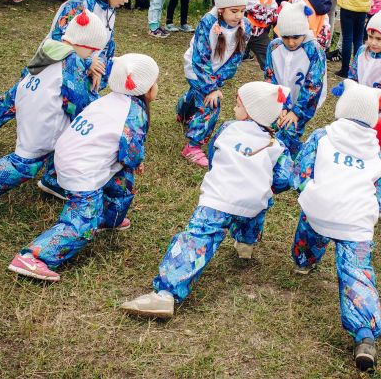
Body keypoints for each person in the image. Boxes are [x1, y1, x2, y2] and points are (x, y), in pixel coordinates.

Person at [121, 81, 293, 319]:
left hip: (218, 198)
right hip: (254, 200)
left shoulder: (228, 128)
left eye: (238, 105)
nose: (234, 108)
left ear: (250, 112)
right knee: (255, 208)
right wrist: (268, 186)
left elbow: (213, 152)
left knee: (197, 238)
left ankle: (165, 295)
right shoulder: (278, 145)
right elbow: (285, 179)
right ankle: (246, 244)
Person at [0, 12, 107, 226]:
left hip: (32, 108)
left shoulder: (53, 48)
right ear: (87, 45)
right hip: (43, 124)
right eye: (93, 51)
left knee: (59, 144)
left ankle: (56, 182)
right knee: (23, 164)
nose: (92, 56)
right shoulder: (73, 65)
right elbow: (81, 104)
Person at [0, 0, 140, 165]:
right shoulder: (79, 5)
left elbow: (105, 41)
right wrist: (88, 63)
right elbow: (61, 41)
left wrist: (100, 66)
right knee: (19, 97)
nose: (126, 1)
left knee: (66, 104)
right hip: (51, 66)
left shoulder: (109, 7)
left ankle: (61, 153)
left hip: (81, 70)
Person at [9, 53, 159, 281]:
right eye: (155, 82)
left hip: (70, 155)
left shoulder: (110, 100)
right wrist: (136, 162)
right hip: (81, 169)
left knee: (119, 181)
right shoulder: (135, 113)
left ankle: (110, 218)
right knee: (83, 222)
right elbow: (130, 150)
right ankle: (35, 257)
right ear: (145, 89)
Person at [291, 79, 381, 372]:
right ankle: (365, 335)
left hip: (320, 209)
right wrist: (376, 210)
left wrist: (307, 190)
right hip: (356, 221)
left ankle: (303, 260)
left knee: (311, 223)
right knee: (356, 274)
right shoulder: (376, 151)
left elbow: (300, 171)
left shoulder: (322, 136)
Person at [177, 0, 251, 167]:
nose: (238, 16)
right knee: (212, 103)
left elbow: (236, 58)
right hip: (196, 70)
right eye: (234, 11)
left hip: (217, 72)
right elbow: (199, 58)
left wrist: (218, 80)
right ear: (220, 9)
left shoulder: (244, 26)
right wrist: (210, 87)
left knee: (197, 95)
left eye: (242, 11)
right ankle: (192, 146)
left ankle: (183, 111)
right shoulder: (208, 23)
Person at [264, 2, 327, 156]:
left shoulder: (314, 50)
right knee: (269, 130)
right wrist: (282, 106)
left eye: (296, 37)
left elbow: (313, 86)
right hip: (279, 101)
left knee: (290, 131)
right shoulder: (274, 47)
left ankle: (289, 161)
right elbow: (270, 77)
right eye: (286, 37)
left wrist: (296, 112)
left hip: (303, 104)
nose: (291, 42)